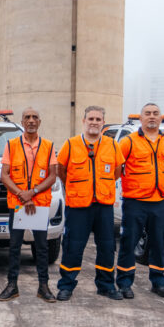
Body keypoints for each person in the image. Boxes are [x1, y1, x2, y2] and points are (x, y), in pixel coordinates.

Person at [56, 105, 123, 301]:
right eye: (91, 119)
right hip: (78, 206)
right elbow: (61, 169)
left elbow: (117, 171)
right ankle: (66, 285)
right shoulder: (71, 144)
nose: (94, 122)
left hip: (103, 205)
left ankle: (106, 285)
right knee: (73, 246)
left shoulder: (112, 145)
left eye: (98, 119)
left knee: (107, 246)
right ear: (84, 121)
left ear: (103, 122)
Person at [117, 103, 164, 299]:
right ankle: (125, 283)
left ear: (161, 117)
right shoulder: (129, 141)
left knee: (159, 243)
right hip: (135, 202)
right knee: (129, 242)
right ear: (141, 118)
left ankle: (159, 282)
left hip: (159, 201)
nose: (152, 117)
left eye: (155, 114)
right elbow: (118, 166)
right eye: (147, 114)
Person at [0, 107, 59, 302]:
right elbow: (4, 175)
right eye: (27, 117)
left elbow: (52, 175)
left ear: (39, 122)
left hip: (39, 203)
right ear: (22, 122)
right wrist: (22, 195)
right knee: (14, 246)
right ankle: (12, 285)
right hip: (18, 204)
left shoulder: (48, 146)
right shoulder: (12, 145)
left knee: (41, 247)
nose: (31, 120)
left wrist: (32, 193)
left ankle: (43, 286)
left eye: (35, 117)